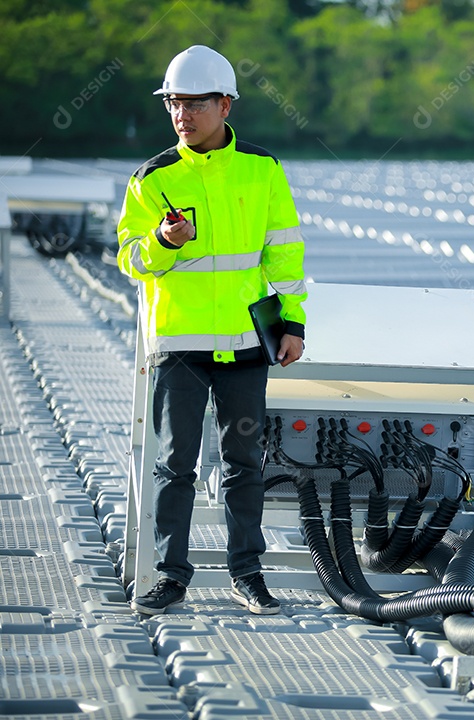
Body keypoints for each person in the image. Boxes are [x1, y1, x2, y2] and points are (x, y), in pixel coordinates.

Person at [117, 45, 307, 616]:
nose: (183, 115)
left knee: (244, 463)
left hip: (247, 346)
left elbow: (285, 254)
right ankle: (171, 576)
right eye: (174, 104)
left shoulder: (262, 168)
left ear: (225, 104)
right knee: (176, 464)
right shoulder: (152, 178)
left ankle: (247, 574)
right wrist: (162, 243)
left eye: (195, 103)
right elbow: (128, 258)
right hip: (180, 346)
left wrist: (293, 324)